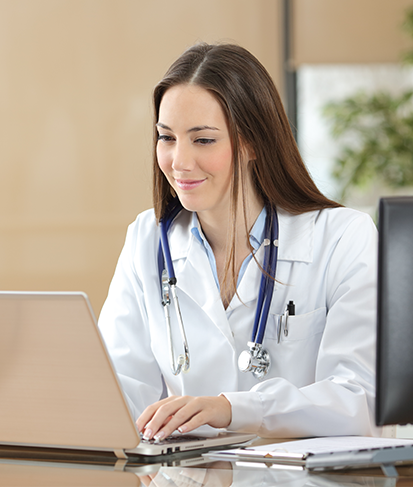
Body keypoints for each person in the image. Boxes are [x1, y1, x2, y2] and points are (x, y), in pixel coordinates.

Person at [98, 43, 380, 440]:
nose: (178, 161)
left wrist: (233, 409)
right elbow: (118, 396)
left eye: (203, 140)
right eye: (166, 137)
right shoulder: (147, 239)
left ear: (252, 142)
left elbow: (361, 399)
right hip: (189, 478)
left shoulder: (344, 238)